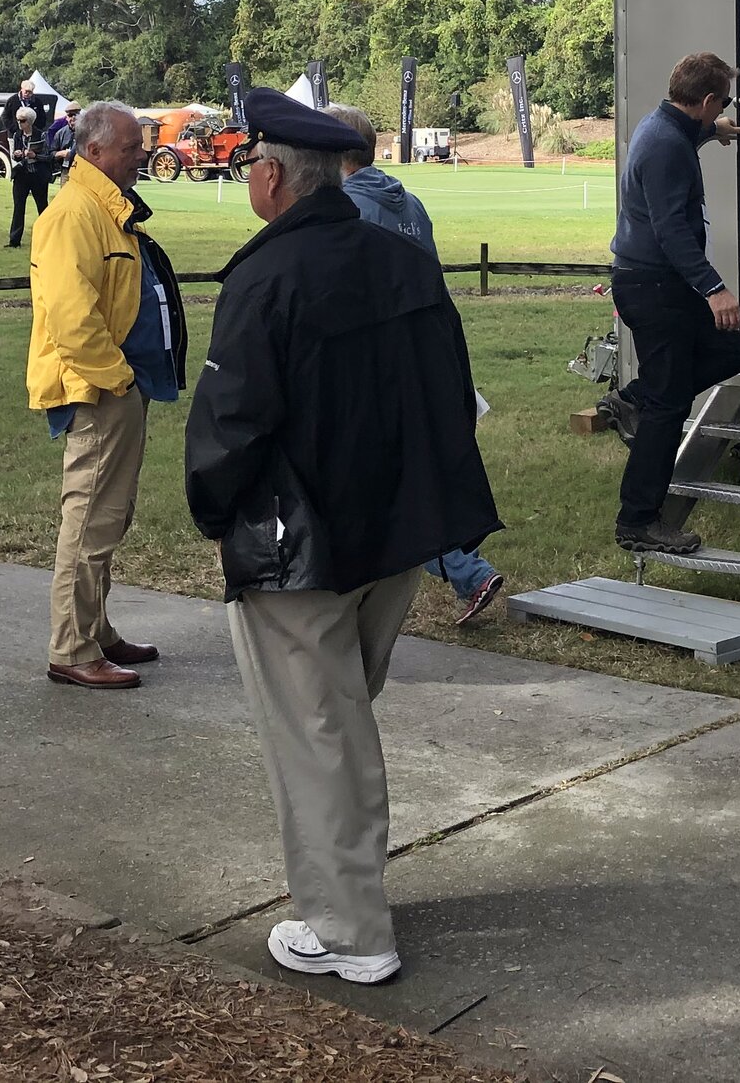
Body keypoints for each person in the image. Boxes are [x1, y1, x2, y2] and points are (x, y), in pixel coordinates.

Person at [187, 91, 500, 987]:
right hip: (394, 536)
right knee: (342, 718)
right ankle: (349, 893)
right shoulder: (401, 260)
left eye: (251, 164)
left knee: (320, 732)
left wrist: (216, 515)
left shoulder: (267, 275)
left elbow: (228, 425)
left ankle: (349, 927)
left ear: (275, 176)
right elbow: (450, 391)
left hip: (305, 549)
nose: (248, 175)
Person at [26, 101, 186, 689]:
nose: (141, 155)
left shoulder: (107, 209)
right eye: (129, 148)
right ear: (93, 153)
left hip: (120, 384)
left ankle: (94, 629)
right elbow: (71, 316)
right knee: (91, 516)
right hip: (100, 389)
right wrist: (115, 378)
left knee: (109, 514)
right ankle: (72, 648)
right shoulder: (74, 215)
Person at [326, 104, 504, 626]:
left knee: (395, 478)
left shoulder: (349, 208)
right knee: (413, 470)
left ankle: (465, 571)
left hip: (384, 358)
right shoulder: (410, 202)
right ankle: (463, 570)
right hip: (425, 347)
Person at [605, 51, 740, 555]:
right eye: (722, 104)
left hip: (654, 283)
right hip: (655, 286)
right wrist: (715, 289)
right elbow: (670, 230)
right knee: (670, 407)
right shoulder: (667, 146)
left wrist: (716, 132)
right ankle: (639, 521)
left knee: (733, 352)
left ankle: (634, 398)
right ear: (706, 99)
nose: (722, 110)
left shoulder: (662, 125)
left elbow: (687, 133)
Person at [4, 105, 55, 249]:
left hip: (38, 175)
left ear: (30, 121)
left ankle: (48, 237)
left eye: (23, 120)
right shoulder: (17, 135)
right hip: (22, 175)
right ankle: (14, 240)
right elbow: (14, 154)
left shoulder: (42, 135)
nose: (20, 123)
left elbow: (48, 156)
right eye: (18, 121)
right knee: (18, 207)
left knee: (42, 206)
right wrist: (17, 155)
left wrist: (35, 155)